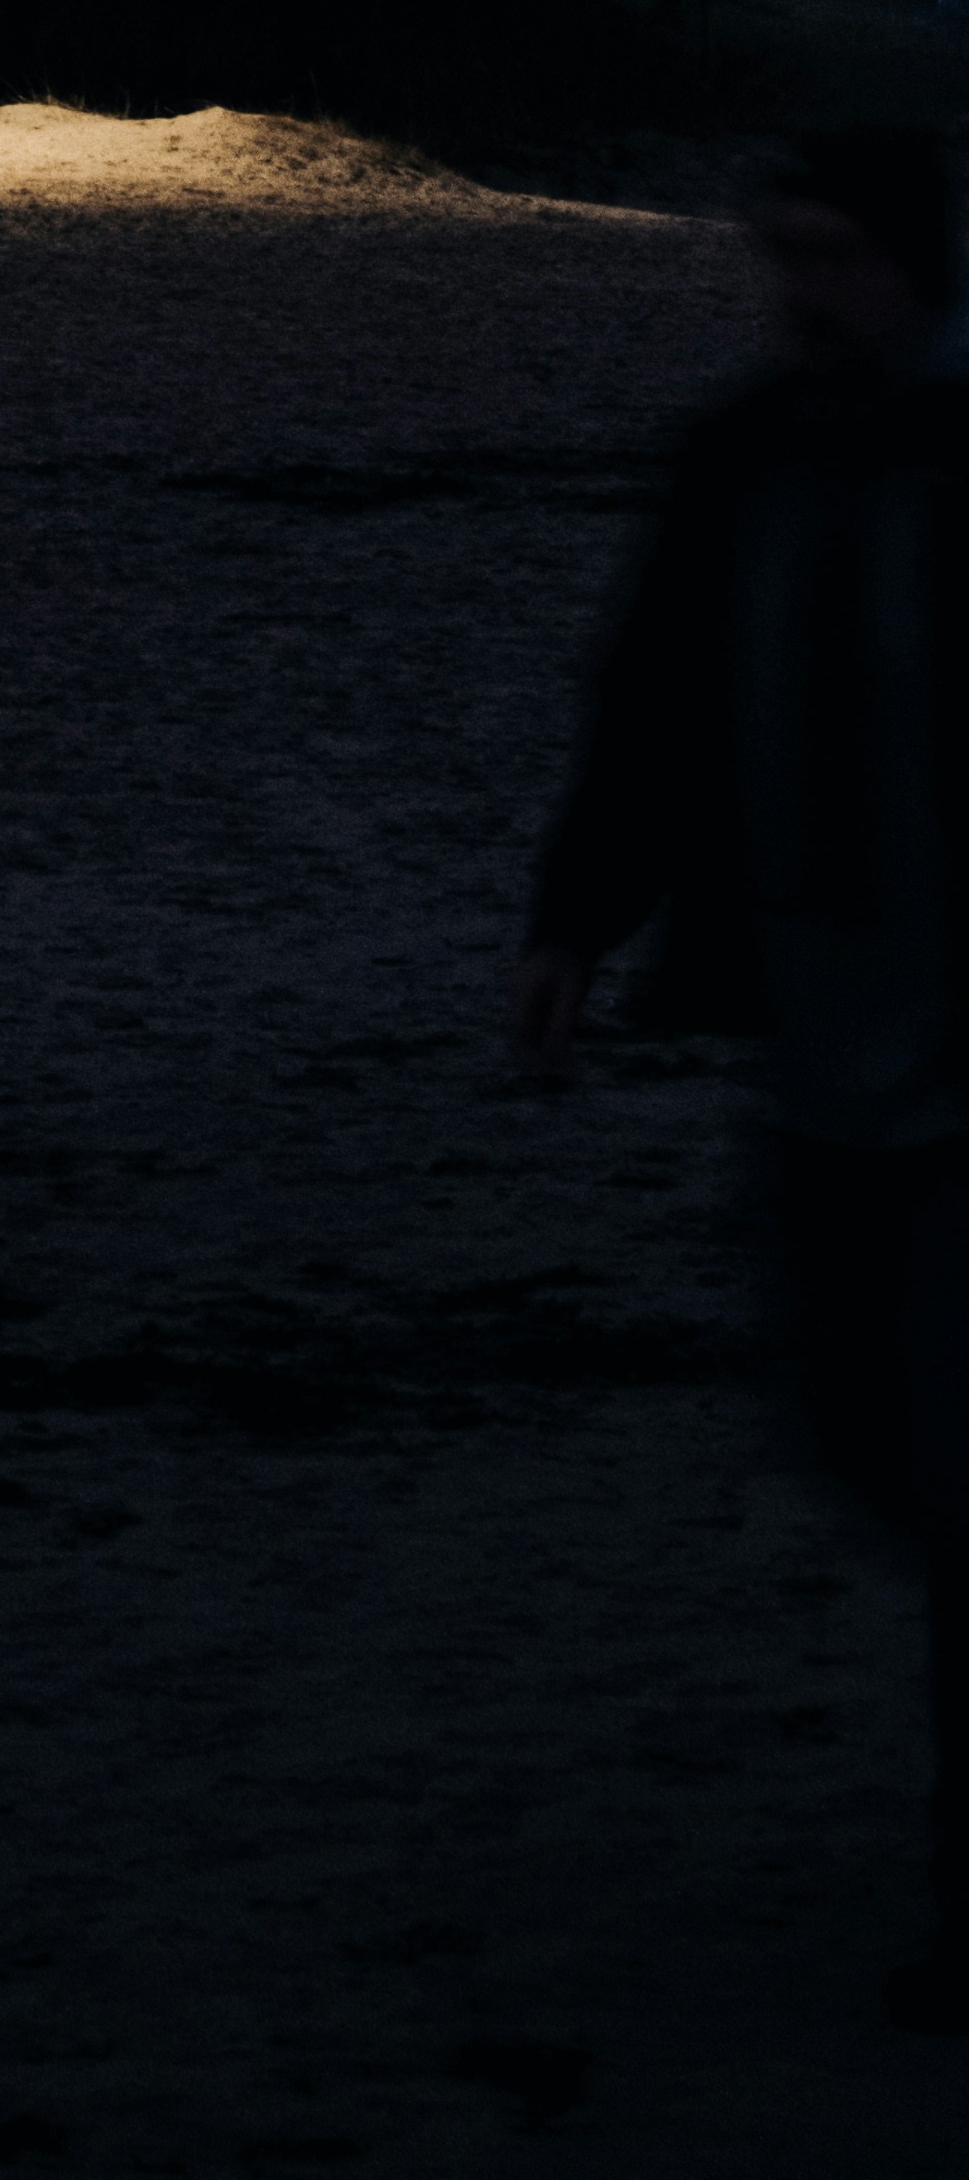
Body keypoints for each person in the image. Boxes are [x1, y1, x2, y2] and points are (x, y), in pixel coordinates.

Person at [522, 130, 969, 2028]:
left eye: (831, 256)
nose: (799, 293)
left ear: (914, 264)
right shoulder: (745, 456)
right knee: (858, 1425)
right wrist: (575, 918)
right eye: (781, 254)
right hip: (815, 1030)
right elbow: (650, 702)